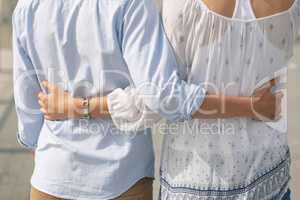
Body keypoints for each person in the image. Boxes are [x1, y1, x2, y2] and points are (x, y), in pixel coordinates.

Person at [13, 1, 283, 200]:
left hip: (51, 178)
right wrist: (252, 106)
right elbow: (161, 94)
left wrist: (52, 155)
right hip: (121, 176)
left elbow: (28, 107)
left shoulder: (27, 8)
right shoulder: (130, 4)